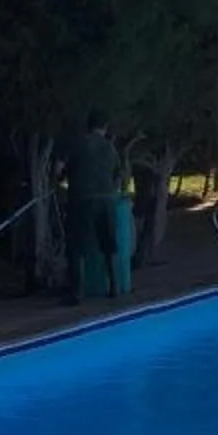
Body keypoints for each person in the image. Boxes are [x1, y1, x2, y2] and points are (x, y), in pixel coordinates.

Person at [69, 109, 128, 301]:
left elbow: (60, 170)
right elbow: (120, 175)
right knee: (108, 245)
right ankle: (114, 287)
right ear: (105, 127)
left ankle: (77, 292)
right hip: (106, 200)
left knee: (78, 247)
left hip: (82, 199)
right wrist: (114, 190)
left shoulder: (78, 144)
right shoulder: (110, 148)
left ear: (88, 125)